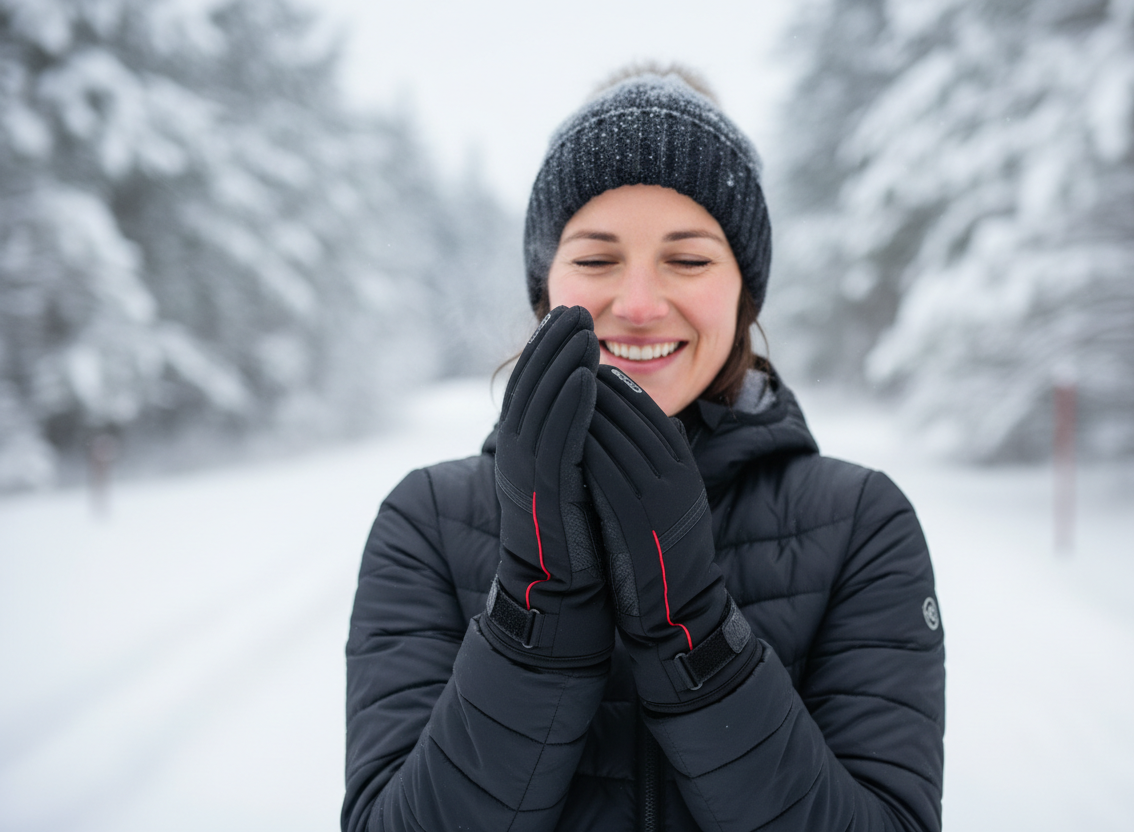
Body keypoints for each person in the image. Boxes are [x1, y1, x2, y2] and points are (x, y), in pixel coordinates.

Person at [342, 67, 944, 832]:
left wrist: (696, 633)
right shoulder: (426, 521)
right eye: (596, 260)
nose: (635, 304)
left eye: (688, 259)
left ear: (742, 292)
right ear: (545, 290)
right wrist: (538, 609)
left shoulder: (862, 524)